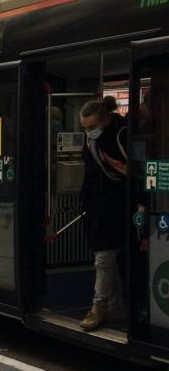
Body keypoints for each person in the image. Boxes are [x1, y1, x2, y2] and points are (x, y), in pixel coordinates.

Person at [78, 96, 127, 331]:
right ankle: (115, 307)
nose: (89, 132)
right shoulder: (90, 142)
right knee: (109, 259)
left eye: (92, 127)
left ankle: (97, 308)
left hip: (118, 204)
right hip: (96, 204)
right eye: (85, 128)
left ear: (105, 120)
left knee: (104, 259)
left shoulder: (121, 135)